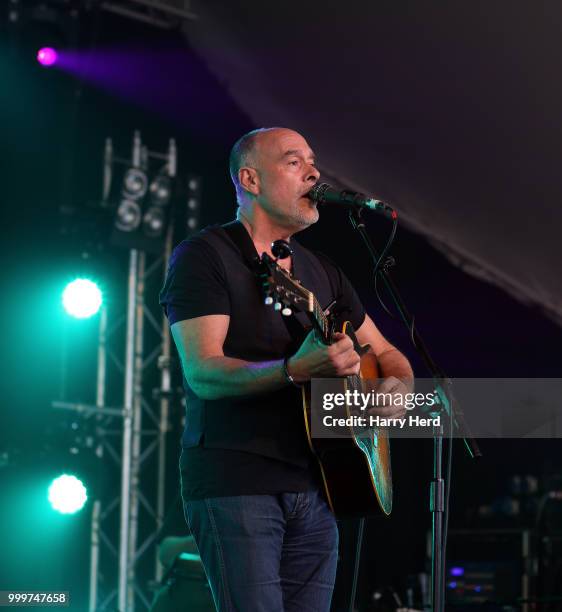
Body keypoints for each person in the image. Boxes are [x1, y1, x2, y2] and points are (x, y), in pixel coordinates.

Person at [159, 127, 413, 612]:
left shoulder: (322, 272)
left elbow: (385, 351)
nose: (315, 173)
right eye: (295, 162)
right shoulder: (206, 257)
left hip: (321, 485)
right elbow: (204, 373)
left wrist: (395, 392)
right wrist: (294, 370)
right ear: (250, 180)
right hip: (238, 481)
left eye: (314, 162)